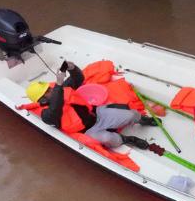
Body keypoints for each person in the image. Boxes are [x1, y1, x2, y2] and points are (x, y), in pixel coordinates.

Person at [23, 61, 156, 149]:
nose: (51, 90)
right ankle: (127, 139)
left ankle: (143, 120)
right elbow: (56, 108)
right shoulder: (47, 115)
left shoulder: (61, 89)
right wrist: (58, 84)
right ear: (42, 100)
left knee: (131, 114)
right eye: (47, 92)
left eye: (49, 88)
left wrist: (72, 68)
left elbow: (78, 78)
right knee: (109, 138)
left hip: (98, 114)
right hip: (88, 131)